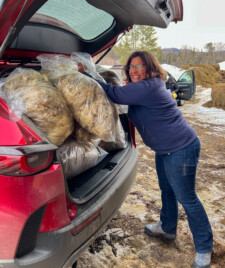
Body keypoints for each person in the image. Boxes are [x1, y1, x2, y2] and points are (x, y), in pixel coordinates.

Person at [78, 50, 213, 268]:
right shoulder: (144, 88)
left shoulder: (149, 86)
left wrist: (88, 75)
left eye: (139, 66)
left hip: (181, 148)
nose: (134, 71)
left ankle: (205, 248)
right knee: (167, 190)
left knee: (187, 198)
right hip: (165, 150)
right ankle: (167, 228)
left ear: (149, 67)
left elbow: (114, 94)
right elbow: (121, 95)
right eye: (131, 67)